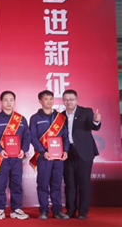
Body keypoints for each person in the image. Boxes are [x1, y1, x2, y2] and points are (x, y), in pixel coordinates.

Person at [0, 91, 30, 220]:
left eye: (11, 100)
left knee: (16, 184)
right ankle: (0, 209)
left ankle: (16, 209)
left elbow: (27, 136)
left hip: (17, 158)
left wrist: (23, 150)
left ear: (14, 102)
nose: (8, 102)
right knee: (0, 184)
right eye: (6, 100)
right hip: (2, 158)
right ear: (1, 102)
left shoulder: (21, 119)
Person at [30, 90, 70, 220]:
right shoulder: (35, 118)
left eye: (51, 99)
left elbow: (65, 137)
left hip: (58, 157)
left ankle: (57, 210)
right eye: (46, 99)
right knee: (43, 184)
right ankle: (43, 210)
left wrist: (66, 151)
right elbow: (33, 137)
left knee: (57, 184)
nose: (49, 101)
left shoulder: (61, 118)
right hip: (44, 157)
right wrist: (43, 152)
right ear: (40, 101)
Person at [62, 89, 101, 220]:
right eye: (66, 99)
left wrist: (96, 121)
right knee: (69, 183)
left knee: (84, 183)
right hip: (67, 153)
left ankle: (83, 211)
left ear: (77, 100)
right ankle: (70, 210)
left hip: (84, 152)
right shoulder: (60, 116)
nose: (68, 102)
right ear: (63, 101)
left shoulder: (86, 112)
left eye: (71, 99)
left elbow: (94, 126)